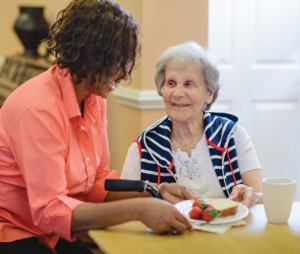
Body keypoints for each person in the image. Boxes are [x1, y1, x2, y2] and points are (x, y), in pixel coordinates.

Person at [0, 1, 198, 253]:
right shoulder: (39, 109)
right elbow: (49, 211)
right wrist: (137, 210)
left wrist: (154, 193)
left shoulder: (93, 99)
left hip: (48, 229)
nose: (125, 77)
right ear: (90, 56)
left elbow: (95, 182)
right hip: (12, 230)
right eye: (119, 64)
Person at [121, 41, 263, 208]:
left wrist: (252, 197)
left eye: (188, 84)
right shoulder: (143, 147)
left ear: (209, 94)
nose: (178, 93)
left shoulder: (232, 135)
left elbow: (260, 196)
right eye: (171, 83)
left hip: (229, 231)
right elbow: (125, 204)